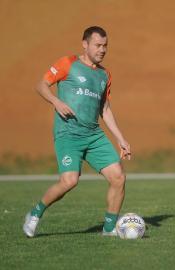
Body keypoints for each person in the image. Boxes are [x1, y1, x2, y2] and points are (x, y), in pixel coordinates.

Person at [23, 26, 131, 237]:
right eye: (98, 45)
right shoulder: (68, 63)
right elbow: (41, 85)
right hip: (68, 134)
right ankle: (35, 213)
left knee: (118, 177)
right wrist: (56, 102)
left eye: (105, 45)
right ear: (85, 44)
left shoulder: (104, 75)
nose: (102, 50)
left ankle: (108, 230)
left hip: (94, 135)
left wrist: (121, 139)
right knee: (69, 181)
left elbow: (105, 109)